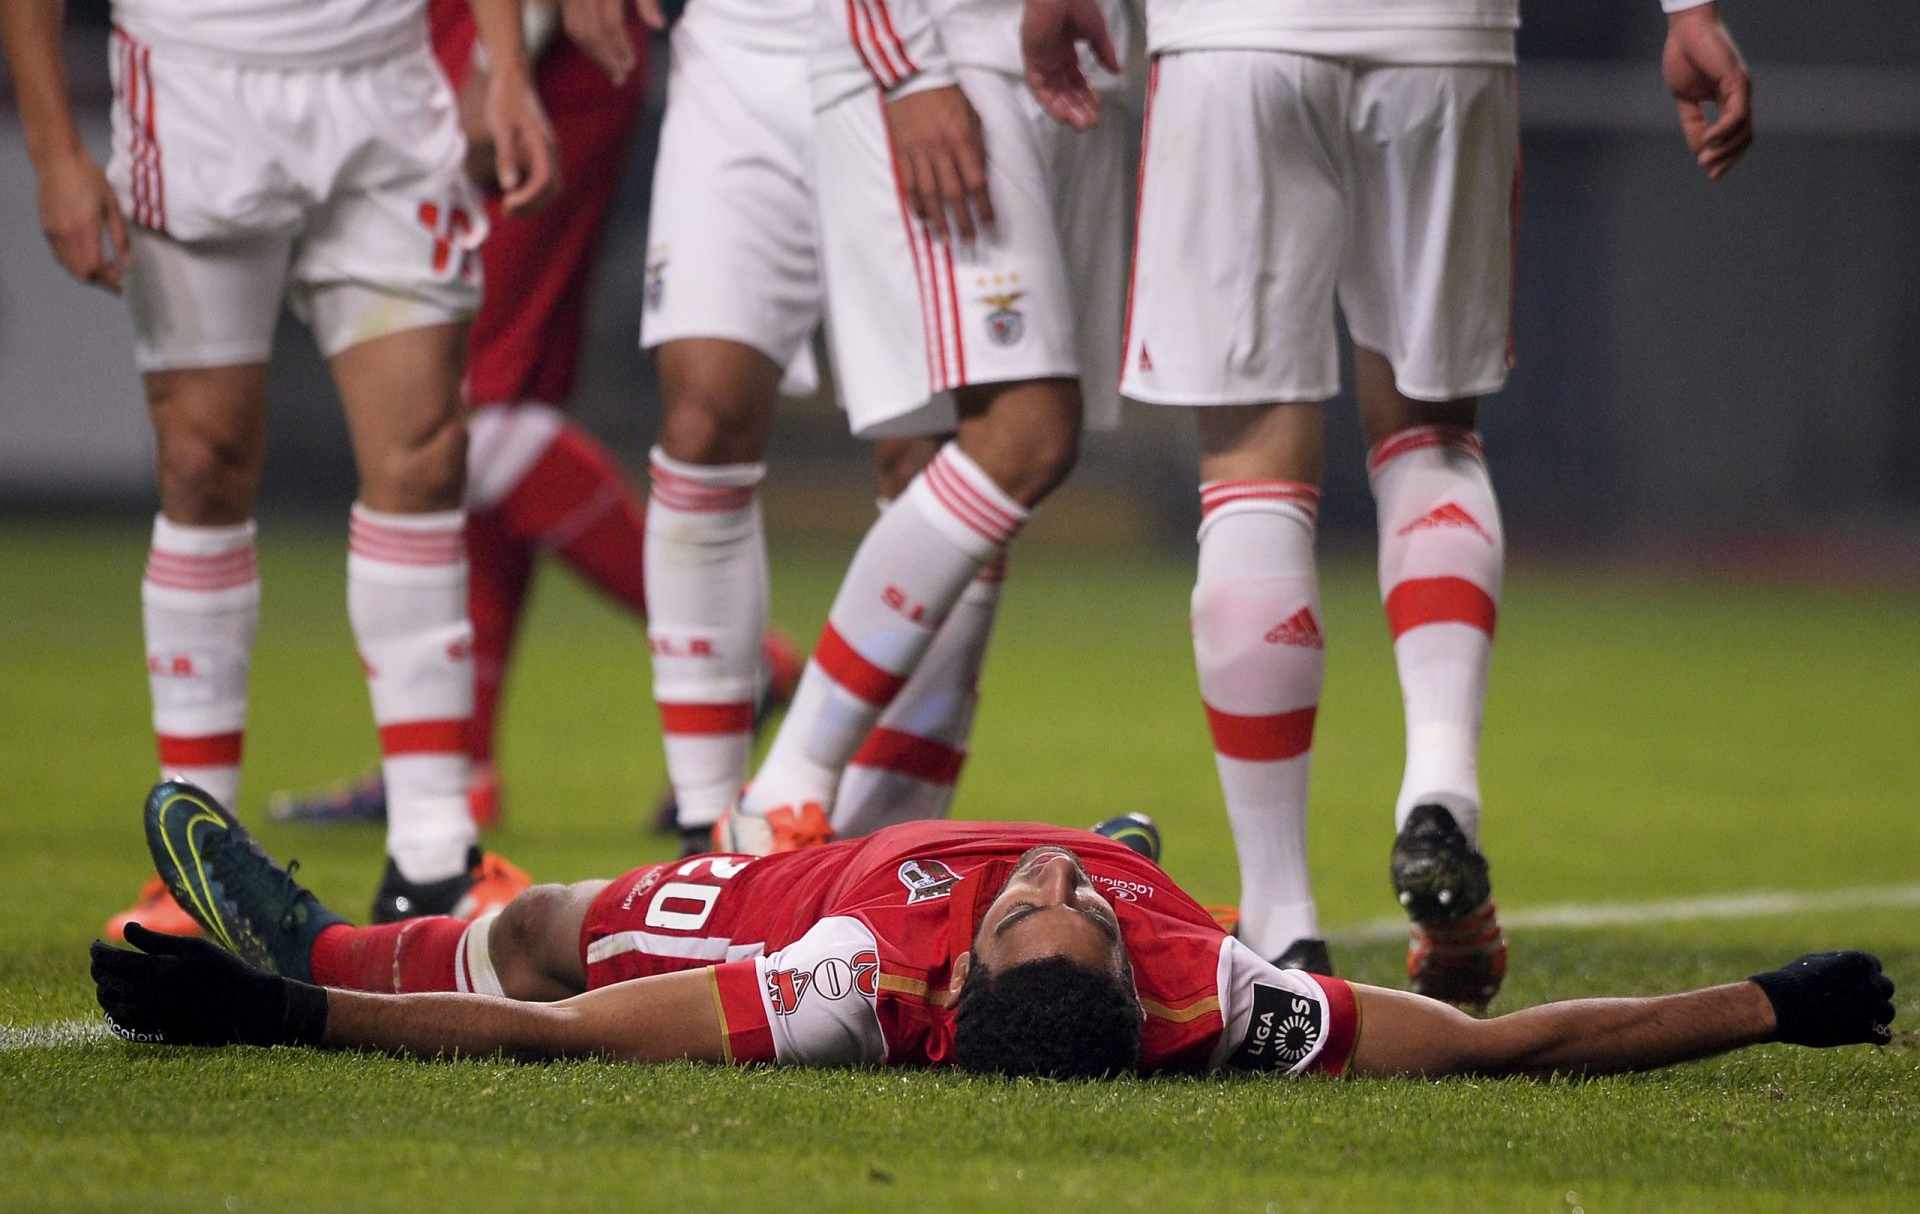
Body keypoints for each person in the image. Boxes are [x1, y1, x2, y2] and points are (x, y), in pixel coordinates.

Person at [1018, 0, 1754, 999]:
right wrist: (1689, 0)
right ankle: (1442, 790)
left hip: (1236, 14)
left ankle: (1282, 917)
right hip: (1440, 13)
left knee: (1250, 466)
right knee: (1430, 434)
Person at [0, 0, 561, 932]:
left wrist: (506, 65)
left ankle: (433, 856)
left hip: (384, 77)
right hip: (193, 73)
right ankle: (196, 863)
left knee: (426, 449)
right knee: (204, 462)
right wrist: (53, 147)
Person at [96, 781, 1895, 1080]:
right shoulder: (1227, 998)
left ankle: (327, 935)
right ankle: (1128, 812)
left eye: (1061, 900)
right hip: (1013, 857)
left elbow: (549, 1042)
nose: (1062, 892)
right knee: (1123, 833)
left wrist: (282, 1016)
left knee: (564, 931)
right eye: (1080, 914)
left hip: (837, 884)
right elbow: (1522, 1046)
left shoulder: (844, 992)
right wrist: (1776, 1002)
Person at [586, 0, 1140, 853]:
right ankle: (712, 831)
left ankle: (875, 839)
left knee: (940, 450)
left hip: (955, 28)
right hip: (769, 32)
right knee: (705, 412)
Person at [269, 0, 800, 834]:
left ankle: (752, 660)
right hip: (496, 56)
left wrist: (497, 63)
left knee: (456, 407)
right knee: (467, 416)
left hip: (536, 65)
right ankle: (460, 761)